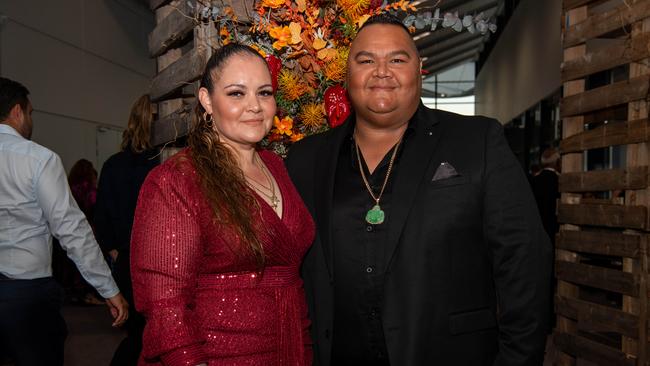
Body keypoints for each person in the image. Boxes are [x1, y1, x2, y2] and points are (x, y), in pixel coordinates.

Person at [285, 14, 552, 365]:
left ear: (419, 70)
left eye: (397, 59)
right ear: (347, 76)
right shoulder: (306, 159)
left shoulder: (477, 142)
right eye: (366, 60)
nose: (382, 71)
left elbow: (525, 263)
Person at [130, 43, 315, 366]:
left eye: (265, 93)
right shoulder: (177, 180)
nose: (255, 107)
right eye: (236, 94)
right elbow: (165, 306)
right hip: (217, 356)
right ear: (206, 101)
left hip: (291, 347)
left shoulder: (277, 167)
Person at [0, 77, 128, 366]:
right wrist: (108, 288)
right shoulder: (38, 159)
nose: (30, 120)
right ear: (17, 112)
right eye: (30, 113)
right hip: (26, 293)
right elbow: (71, 231)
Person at [94, 94, 160, 365]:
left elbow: (102, 218)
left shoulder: (112, 164)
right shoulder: (164, 163)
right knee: (152, 335)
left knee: (137, 332)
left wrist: (115, 253)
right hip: (159, 261)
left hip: (126, 261)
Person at [52, 158, 105, 305]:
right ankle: (88, 294)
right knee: (87, 261)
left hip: (64, 231)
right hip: (86, 229)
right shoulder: (91, 190)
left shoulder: (68, 188)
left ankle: (73, 294)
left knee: (69, 265)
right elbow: (96, 210)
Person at [532, 147, 561, 244]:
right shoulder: (560, 181)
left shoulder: (533, 181)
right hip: (553, 228)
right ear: (558, 162)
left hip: (535, 228)